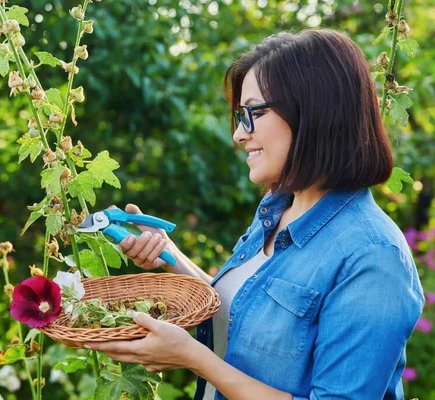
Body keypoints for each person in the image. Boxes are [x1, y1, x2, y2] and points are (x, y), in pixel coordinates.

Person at [84, 28, 425, 399]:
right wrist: (171, 255)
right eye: (239, 115)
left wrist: (192, 357)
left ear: (314, 112)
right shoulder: (278, 210)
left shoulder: (373, 256)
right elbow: (242, 312)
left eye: (255, 113)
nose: (238, 135)